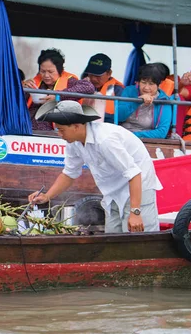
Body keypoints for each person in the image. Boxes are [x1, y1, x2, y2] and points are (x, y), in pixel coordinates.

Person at [28, 100, 162, 233]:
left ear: (76, 126)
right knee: (113, 240)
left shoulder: (105, 140)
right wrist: (47, 196)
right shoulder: (73, 142)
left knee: (139, 241)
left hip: (138, 188)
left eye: (62, 130)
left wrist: (136, 212)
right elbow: (69, 173)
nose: (60, 134)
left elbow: (134, 174)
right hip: (113, 193)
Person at [22, 49, 80, 130]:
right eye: (42, 71)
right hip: (29, 130)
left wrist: (58, 96)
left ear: (60, 70)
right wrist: (23, 88)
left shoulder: (69, 82)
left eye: (50, 71)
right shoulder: (35, 82)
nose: (46, 75)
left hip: (56, 134)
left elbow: (88, 87)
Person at [116, 64, 172, 139]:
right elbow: (118, 116)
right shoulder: (128, 91)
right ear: (138, 82)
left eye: (151, 84)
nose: (146, 87)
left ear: (159, 85)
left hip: (146, 140)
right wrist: (137, 101)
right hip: (121, 136)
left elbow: (162, 132)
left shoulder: (164, 100)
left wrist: (132, 136)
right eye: (143, 82)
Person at [82, 53, 124, 123]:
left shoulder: (118, 90)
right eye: (91, 74)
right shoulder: (82, 86)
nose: (93, 79)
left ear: (109, 73)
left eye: (98, 76)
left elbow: (121, 117)